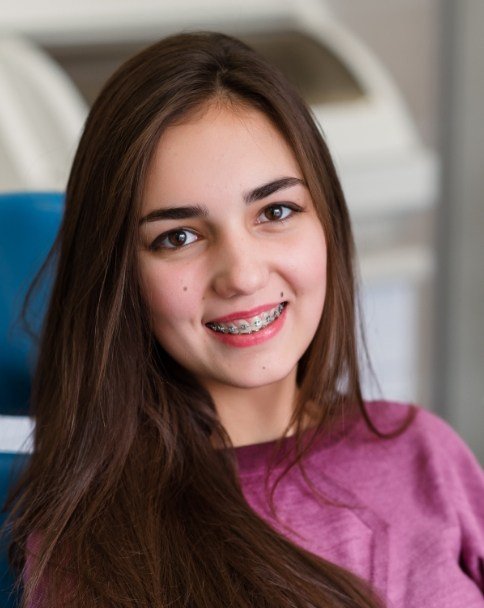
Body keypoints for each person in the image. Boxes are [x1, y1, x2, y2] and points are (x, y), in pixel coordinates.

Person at [3, 32, 484, 608]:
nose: (242, 275)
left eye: (275, 211)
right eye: (178, 237)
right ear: (119, 278)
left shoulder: (425, 451)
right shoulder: (89, 546)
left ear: (326, 221)